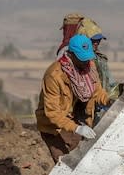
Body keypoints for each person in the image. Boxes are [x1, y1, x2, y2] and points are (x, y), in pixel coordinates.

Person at [36, 35, 110, 163]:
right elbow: (52, 113)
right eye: (82, 59)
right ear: (71, 54)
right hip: (53, 127)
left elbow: (97, 92)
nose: (86, 62)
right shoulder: (54, 75)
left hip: (75, 119)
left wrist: (110, 101)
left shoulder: (89, 66)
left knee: (80, 162)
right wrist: (77, 129)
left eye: (88, 58)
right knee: (64, 165)